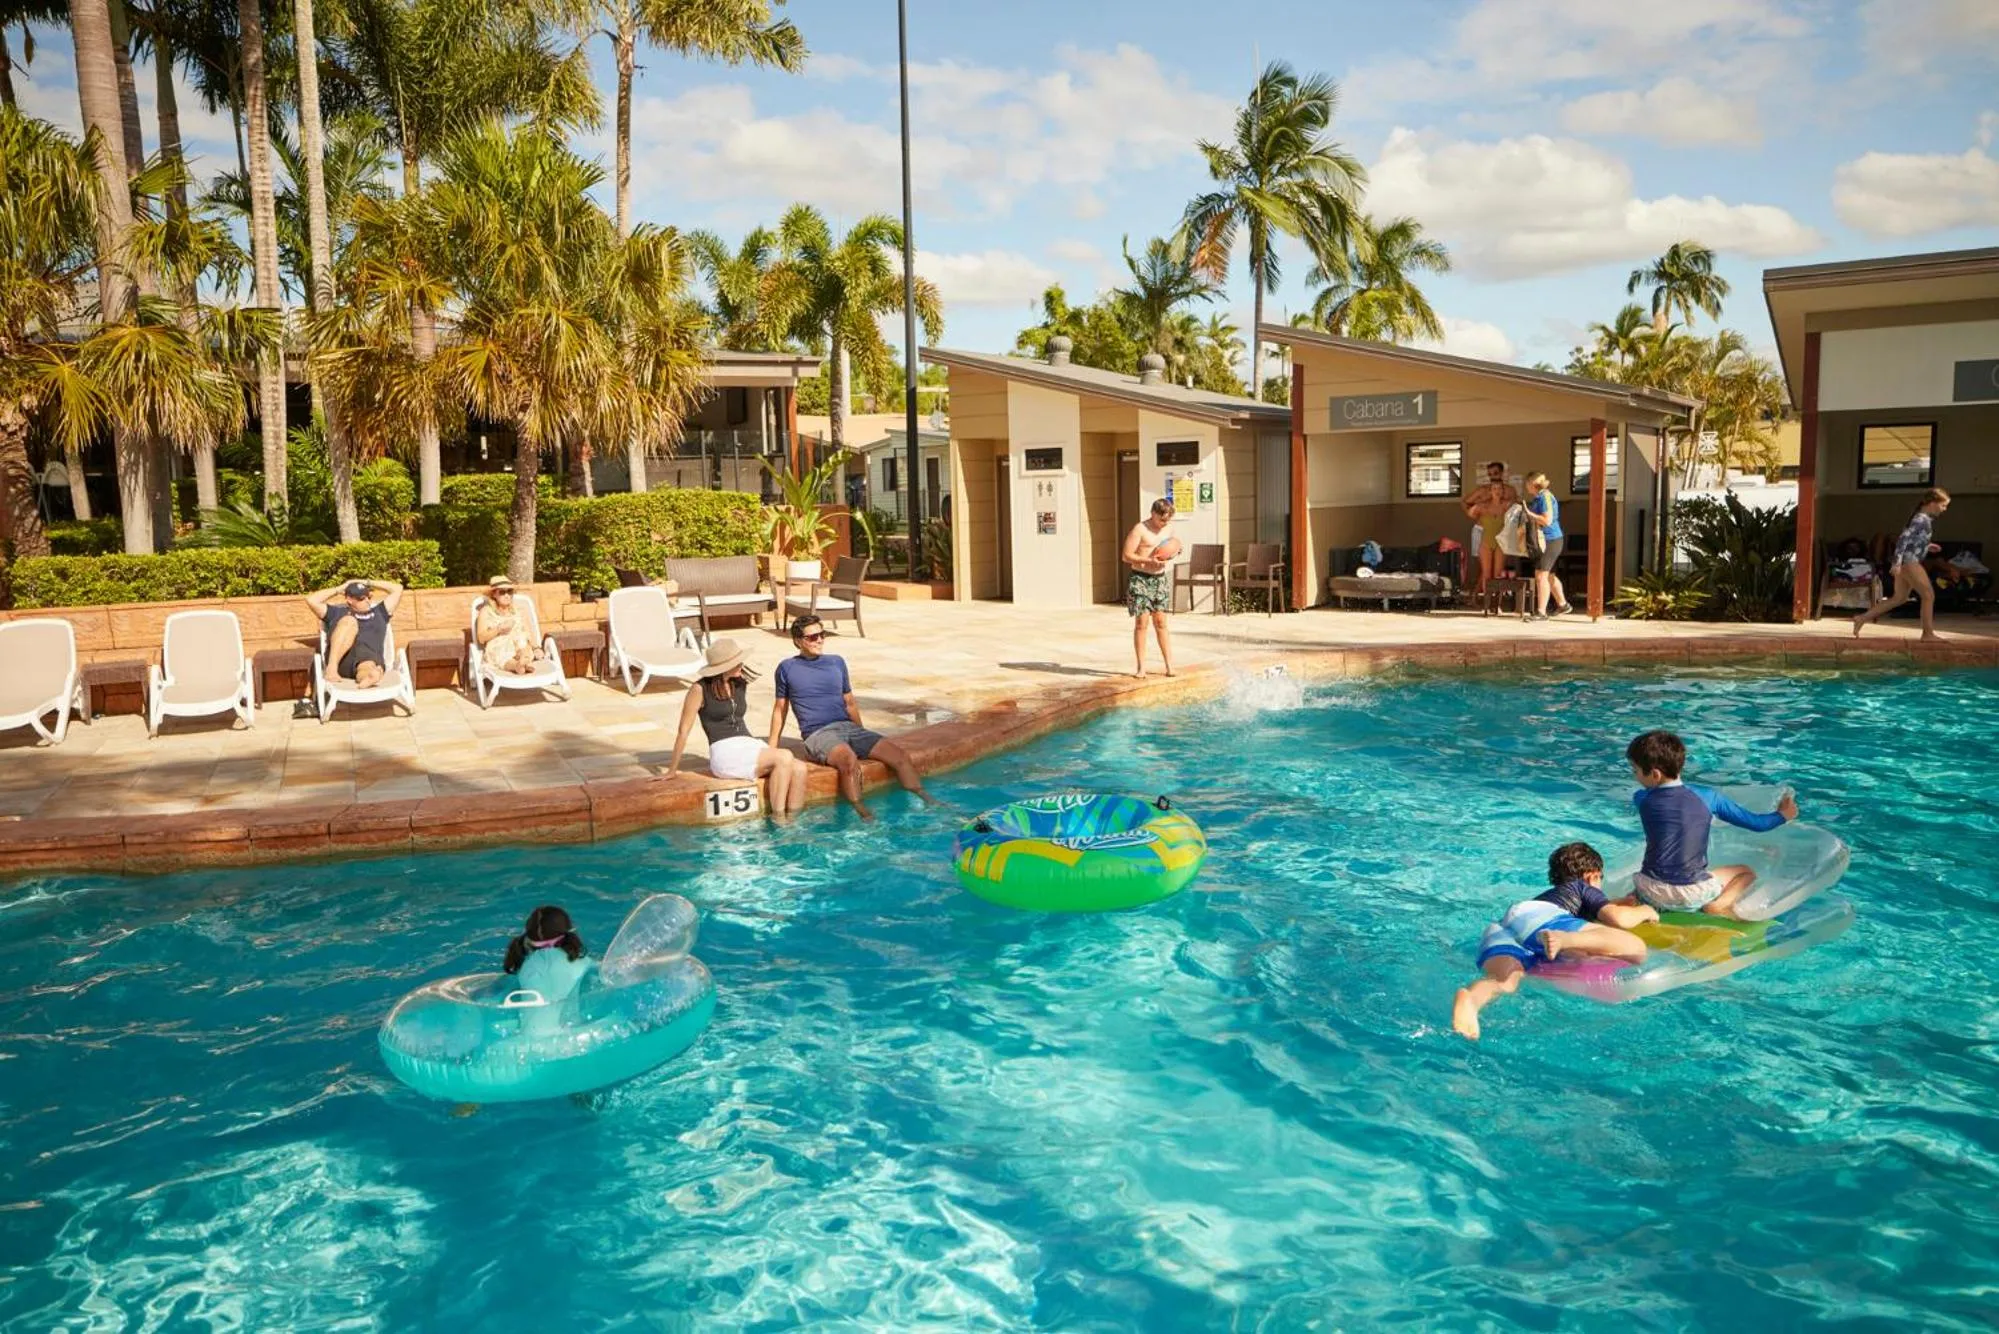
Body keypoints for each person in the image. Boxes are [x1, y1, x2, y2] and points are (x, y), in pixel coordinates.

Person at [1452, 841, 1659, 1042]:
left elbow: (1582, 911)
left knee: (1503, 982)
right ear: (1592, 876)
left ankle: (1471, 1000)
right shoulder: (1581, 886)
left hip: (1501, 930)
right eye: (1601, 879)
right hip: (1544, 924)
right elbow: (1618, 918)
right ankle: (1565, 939)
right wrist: (1645, 910)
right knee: (1636, 948)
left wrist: (1620, 902)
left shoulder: (1549, 897)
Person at [769, 614, 931, 819]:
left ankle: (924, 798)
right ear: (798, 641)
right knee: (848, 760)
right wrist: (772, 750)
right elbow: (779, 709)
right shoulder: (787, 668)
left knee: (899, 756)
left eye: (822, 634)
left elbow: (850, 702)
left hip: (847, 727)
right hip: (818, 733)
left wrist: (861, 732)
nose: (819, 640)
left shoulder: (836, 662)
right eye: (812, 637)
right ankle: (861, 811)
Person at [1626, 729, 1797, 919]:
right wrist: (1784, 815)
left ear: (1656, 774)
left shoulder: (1641, 798)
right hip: (1691, 894)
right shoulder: (1708, 797)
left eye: (1636, 771)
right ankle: (1719, 905)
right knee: (1745, 872)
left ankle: (1636, 902)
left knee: (1651, 882)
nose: (1636, 777)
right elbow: (1758, 824)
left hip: (1647, 889)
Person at [667, 638, 807, 819]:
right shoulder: (699, 689)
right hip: (725, 751)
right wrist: (672, 769)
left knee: (800, 768)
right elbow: (683, 731)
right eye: (736, 662)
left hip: (748, 744)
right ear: (723, 667)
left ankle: (793, 821)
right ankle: (778, 819)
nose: (741, 664)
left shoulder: (739, 683)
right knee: (784, 756)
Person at [1853, 488, 1951, 642]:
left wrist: (1927, 546)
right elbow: (1902, 540)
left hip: (1907, 561)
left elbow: (1912, 539)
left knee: (1899, 598)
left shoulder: (1921, 518)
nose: (1944, 509)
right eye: (1943, 505)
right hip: (1909, 562)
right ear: (1932, 503)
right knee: (1928, 595)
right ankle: (1927, 634)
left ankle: (1862, 618)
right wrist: (1897, 563)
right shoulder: (1921, 519)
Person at [502, 905, 593, 1036]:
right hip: (569, 1038)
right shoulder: (583, 962)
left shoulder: (523, 966)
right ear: (569, 935)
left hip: (525, 1039)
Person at [304, 578, 404, 687]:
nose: (367, 601)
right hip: (342, 660)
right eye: (362, 598)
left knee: (367, 667)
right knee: (349, 621)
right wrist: (339, 589)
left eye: (369, 596)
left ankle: (368, 678)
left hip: (370, 658)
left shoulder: (380, 612)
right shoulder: (336, 612)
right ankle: (331, 669)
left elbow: (397, 588)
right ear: (349, 599)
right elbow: (311, 600)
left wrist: (367, 582)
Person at [1121, 498, 1178, 678]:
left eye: (1168, 519)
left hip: (1159, 579)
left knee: (1161, 622)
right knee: (1141, 623)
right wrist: (1147, 561)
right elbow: (1126, 555)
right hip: (1141, 578)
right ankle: (1141, 667)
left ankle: (1169, 666)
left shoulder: (1168, 529)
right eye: (1162, 519)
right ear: (1153, 513)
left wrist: (1174, 551)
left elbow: (1172, 546)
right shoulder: (1140, 529)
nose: (1165, 523)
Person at [1459, 461, 1518, 596]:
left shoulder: (1510, 491)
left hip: (1501, 532)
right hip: (1482, 530)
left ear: (1502, 473)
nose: (1493, 476)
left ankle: (1478, 597)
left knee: (1496, 570)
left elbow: (1515, 511)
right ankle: (1479, 598)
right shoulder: (1482, 490)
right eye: (1490, 474)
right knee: (1485, 569)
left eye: (1495, 473)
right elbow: (1464, 502)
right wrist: (1476, 516)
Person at [1520, 471, 1570, 620]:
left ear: (1532, 484)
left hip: (1551, 539)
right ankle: (1563, 605)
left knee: (1541, 574)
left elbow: (1547, 520)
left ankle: (1541, 612)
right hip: (1547, 540)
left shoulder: (1545, 497)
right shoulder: (1538, 498)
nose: (1526, 487)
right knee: (1550, 575)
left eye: (1527, 484)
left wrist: (1529, 513)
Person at [475, 575, 549, 676]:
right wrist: (498, 629)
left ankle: (523, 661)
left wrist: (536, 648)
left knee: (522, 641)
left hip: (519, 646)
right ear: (494, 594)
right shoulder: (486, 611)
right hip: (499, 647)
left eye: (510, 591)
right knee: (502, 652)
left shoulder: (518, 611)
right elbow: (481, 638)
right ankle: (517, 666)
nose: (507, 595)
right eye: (502, 592)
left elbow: (528, 633)